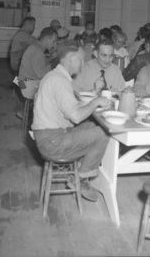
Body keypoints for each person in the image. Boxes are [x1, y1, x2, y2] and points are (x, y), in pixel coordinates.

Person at [32, 40, 111, 202]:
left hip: (50, 136)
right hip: (52, 141)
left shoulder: (55, 76)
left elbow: (72, 105)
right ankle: (80, 178)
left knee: (94, 124)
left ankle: (83, 170)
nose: (83, 63)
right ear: (70, 59)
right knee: (103, 133)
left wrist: (93, 95)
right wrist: (96, 102)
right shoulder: (59, 81)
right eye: (81, 59)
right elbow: (75, 116)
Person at [18, 27, 58, 99]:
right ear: (46, 39)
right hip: (28, 87)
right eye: (53, 41)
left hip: (24, 83)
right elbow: (41, 75)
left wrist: (50, 60)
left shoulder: (35, 46)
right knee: (57, 88)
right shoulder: (37, 51)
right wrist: (52, 64)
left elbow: (42, 62)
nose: (54, 45)